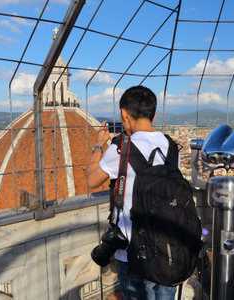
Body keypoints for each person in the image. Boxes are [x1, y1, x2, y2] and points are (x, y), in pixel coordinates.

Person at [87, 85, 177, 299]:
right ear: (153, 115)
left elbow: (92, 180)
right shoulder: (170, 146)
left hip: (132, 252)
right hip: (168, 249)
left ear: (124, 114)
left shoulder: (122, 148)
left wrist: (99, 146)